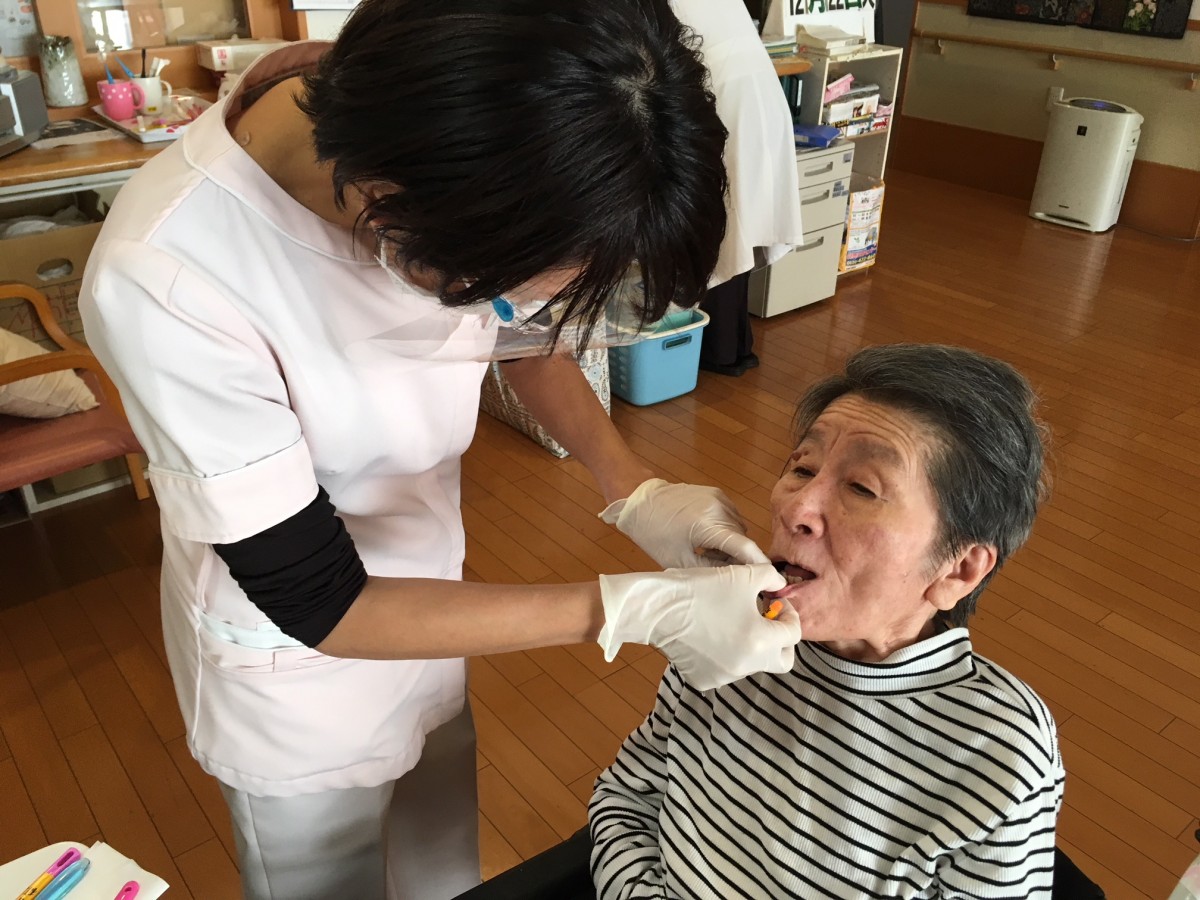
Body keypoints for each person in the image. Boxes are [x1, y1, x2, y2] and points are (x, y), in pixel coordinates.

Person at [77, 2, 804, 898]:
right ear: (385, 206)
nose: (515, 311)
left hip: (434, 601)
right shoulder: (169, 278)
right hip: (300, 662)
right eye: (498, 289)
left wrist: (634, 486)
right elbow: (322, 600)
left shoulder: (449, 105)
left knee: (444, 871)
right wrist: (630, 610)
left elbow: (524, 337)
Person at [590, 344, 1066, 899]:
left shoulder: (998, 749)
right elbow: (629, 797)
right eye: (803, 468)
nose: (795, 509)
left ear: (957, 570)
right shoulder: (729, 635)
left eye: (862, 488)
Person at [685, 0, 804, 377]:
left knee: (722, 227)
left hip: (722, 99)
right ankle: (734, 345)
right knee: (738, 226)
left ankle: (718, 348)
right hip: (756, 94)